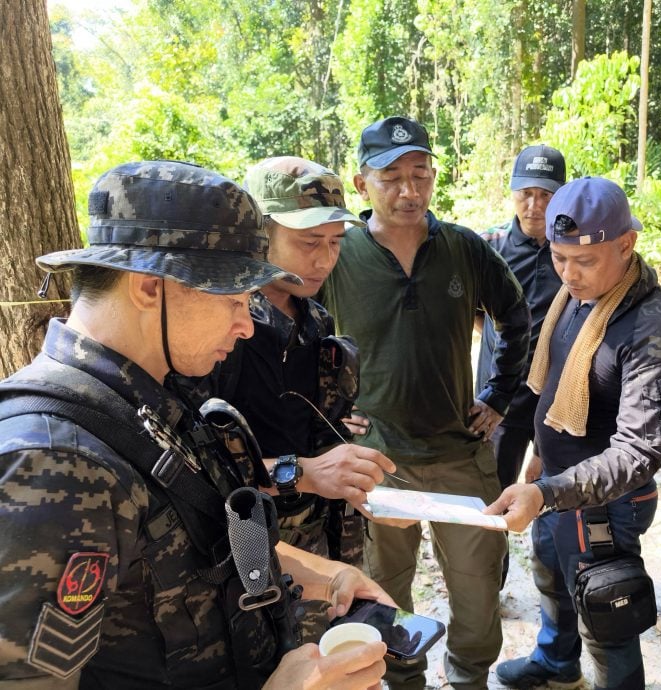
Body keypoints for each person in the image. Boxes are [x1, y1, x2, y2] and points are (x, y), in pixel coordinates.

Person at [0, 161, 392, 689]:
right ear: (148, 288)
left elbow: (209, 537)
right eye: (232, 299)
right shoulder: (55, 464)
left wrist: (329, 576)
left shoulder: (156, 397)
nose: (247, 324)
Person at [320, 116, 531, 689]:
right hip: (376, 460)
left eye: (420, 174)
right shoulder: (338, 254)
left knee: (477, 587)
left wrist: (499, 394)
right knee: (385, 587)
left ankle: (469, 679)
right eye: (391, 177)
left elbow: (516, 317)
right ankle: (404, 678)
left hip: (458, 454)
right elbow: (304, 335)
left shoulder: (462, 248)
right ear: (362, 184)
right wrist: (329, 413)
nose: (409, 190)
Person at [485, 177, 661, 690]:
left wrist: (545, 492)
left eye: (585, 261)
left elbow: (637, 453)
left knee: (607, 615)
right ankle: (557, 663)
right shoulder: (575, 297)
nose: (569, 274)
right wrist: (541, 457)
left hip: (606, 501)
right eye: (559, 259)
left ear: (627, 245)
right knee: (553, 580)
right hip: (557, 482)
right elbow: (558, 384)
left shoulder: (652, 328)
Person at [193, 156, 396, 642]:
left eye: (334, 243)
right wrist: (304, 471)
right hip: (252, 556)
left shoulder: (315, 320)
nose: (324, 259)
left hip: (324, 539)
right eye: (308, 242)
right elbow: (197, 470)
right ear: (260, 235)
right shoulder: (220, 331)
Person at [476, 144, 566, 491]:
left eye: (545, 195)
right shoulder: (488, 247)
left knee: (555, 500)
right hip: (501, 406)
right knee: (491, 501)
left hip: (558, 405)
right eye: (526, 193)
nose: (534, 206)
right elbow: (475, 316)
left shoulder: (572, 250)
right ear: (513, 192)